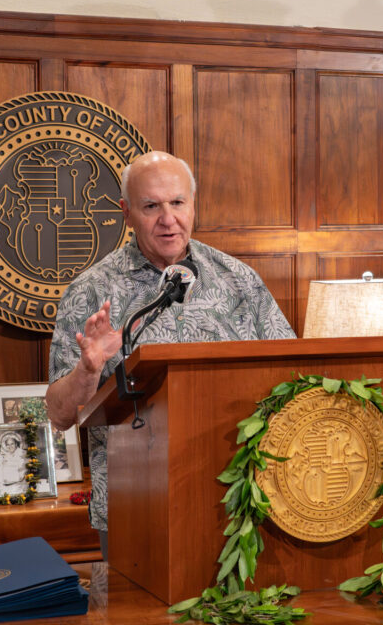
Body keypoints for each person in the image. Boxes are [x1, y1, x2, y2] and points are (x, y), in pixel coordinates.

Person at [46, 150, 295, 540]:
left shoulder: (239, 280)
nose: (168, 219)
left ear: (193, 205)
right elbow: (59, 416)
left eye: (177, 203)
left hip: (238, 500)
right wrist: (88, 370)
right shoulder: (91, 292)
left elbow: (292, 376)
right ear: (127, 213)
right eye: (151, 206)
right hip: (137, 507)